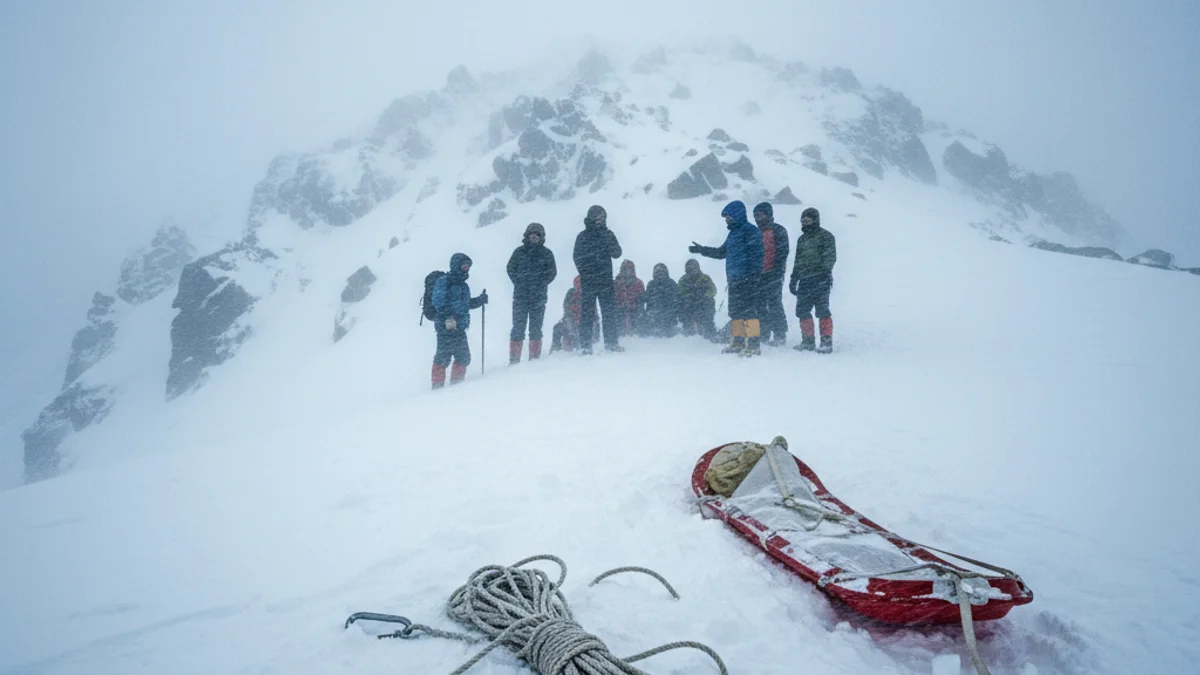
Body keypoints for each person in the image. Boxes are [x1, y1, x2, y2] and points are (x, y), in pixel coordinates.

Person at [689, 200, 764, 356]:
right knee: (735, 312)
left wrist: (754, 277)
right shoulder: (733, 234)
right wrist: (702, 250)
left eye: (728, 217)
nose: (727, 220)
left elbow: (757, 256)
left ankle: (754, 344)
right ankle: (738, 342)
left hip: (749, 279)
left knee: (750, 313)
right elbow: (721, 253)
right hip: (734, 279)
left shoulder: (751, 231)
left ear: (736, 214)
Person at [430, 253, 488, 388]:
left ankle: (456, 387)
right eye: (464, 265)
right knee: (443, 358)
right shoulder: (444, 281)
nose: (466, 268)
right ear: (456, 265)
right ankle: (437, 388)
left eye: (468, 266)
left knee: (463, 357)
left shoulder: (463, 285)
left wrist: (480, 300)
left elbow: (465, 304)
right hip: (446, 326)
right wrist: (449, 317)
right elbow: (438, 301)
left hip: (459, 327)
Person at [572, 205, 625, 354]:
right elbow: (577, 257)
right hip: (589, 281)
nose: (600, 220)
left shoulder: (608, 234)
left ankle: (612, 343)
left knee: (609, 312)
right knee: (587, 313)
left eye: (603, 217)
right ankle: (585, 346)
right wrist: (585, 273)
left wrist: (607, 238)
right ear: (591, 217)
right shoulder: (582, 236)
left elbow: (617, 253)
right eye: (597, 217)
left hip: (606, 281)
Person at [506, 222, 557, 364]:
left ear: (542, 237)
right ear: (527, 236)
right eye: (532, 234)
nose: (534, 237)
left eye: (537, 235)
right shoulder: (519, 252)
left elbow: (552, 272)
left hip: (538, 297)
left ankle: (534, 360)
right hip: (521, 296)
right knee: (518, 328)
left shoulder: (547, 254)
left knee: (535, 328)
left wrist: (541, 283)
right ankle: (514, 360)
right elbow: (510, 268)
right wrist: (519, 281)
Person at [789, 207, 837, 353]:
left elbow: (830, 257)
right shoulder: (802, 239)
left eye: (808, 220)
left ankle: (826, 342)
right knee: (802, 310)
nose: (805, 223)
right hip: (805, 280)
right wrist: (793, 278)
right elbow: (798, 261)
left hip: (821, 279)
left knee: (822, 311)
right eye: (803, 221)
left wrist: (824, 272)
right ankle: (808, 341)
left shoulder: (826, 236)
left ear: (815, 220)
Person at [753, 202, 790, 346]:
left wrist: (777, 270)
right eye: (756, 215)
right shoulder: (756, 232)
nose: (758, 218)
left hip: (774, 273)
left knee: (774, 303)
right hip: (759, 274)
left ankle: (780, 334)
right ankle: (764, 332)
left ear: (768, 214)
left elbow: (783, 251)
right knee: (760, 304)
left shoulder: (778, 230)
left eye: (760, 214)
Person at [678, 258, 717, 340]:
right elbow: (680, 293)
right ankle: (688, 328)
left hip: (703, 303)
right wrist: (689, 296)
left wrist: (705, 296)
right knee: (683, 303)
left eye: (694, 267)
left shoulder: (705, 278)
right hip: (689, 304)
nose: (693, 270)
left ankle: (709, 329)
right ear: (687, 269)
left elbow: (713, 290)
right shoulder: (683, 280)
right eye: (690, 268)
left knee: (709, 302)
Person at [642, 263, 680, 337]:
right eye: (657, 272)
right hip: (654, 312)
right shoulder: (651, 284)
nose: (660, 274)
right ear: (654, 274)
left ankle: (667, 328)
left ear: (666, 273)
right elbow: (647, 298)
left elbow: (676, 299)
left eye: (662, 272)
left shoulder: (671, 283)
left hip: (668, 311)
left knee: (666, 317)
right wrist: (643, 297)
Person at [613, 259, 645, 338]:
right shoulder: (616, 283)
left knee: (640, 314)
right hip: (620, 311)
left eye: (628, 269)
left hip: (635, 311)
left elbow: (641, 300)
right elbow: (614, 299)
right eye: (624, 269)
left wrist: (633, 306)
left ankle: (638, 333)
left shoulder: (639, 283)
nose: (626, 271)